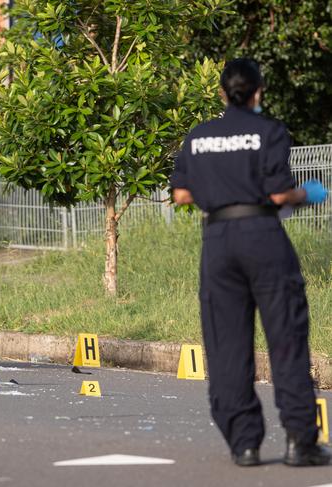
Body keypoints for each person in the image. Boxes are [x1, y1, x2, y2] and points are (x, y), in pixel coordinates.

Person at [171, 58, 330, 467]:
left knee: (226, 345)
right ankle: (300, 441)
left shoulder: (200, 136)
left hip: (218, 242)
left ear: (222, 93)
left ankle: (243, 443)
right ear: (258, 92)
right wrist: (307, 194)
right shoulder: (269, 131)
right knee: (287, 339)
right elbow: (279, 195)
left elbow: (181, 195)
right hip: (262, 236)